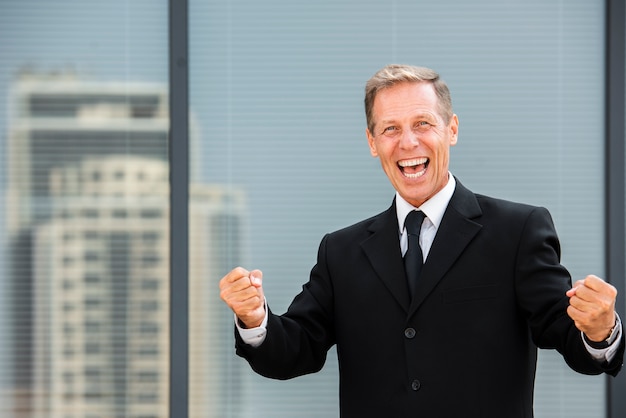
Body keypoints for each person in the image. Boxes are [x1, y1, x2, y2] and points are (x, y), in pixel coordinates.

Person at [219, 64, 624, 417]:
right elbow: (297, 349)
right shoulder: (340, 251)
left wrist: (600, 329)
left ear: (452, 129)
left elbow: (568, 335)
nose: (408, 142)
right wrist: (256, 320)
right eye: (390, 129)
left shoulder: (517, 231)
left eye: (422, 124)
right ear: (372, 142)